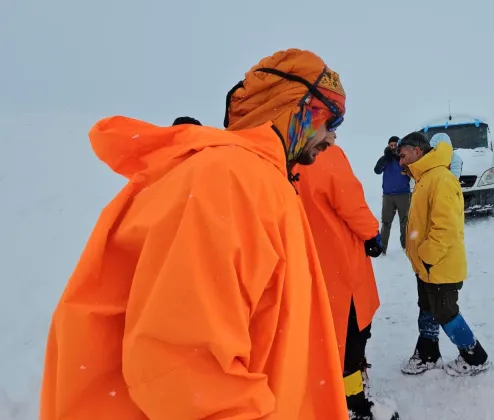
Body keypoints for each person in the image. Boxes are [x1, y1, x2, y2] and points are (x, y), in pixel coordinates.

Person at [40, 48, 351, 420]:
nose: (332, 139)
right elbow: (186, 370)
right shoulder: (231, 178)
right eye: (331, 121)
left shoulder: (253, 178)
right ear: (298, 107)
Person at [294, 136, 399, 420]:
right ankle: (354, 405)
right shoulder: (326, 155)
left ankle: (325, 394)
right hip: (338, 263)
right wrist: (371, 234)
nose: (334, 135)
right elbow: (350, 202)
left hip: (303, 266)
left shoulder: (281, 159)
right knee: (351, 335)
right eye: (330, 124)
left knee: (321, 336)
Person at [396, 131, 491, 377]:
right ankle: (428, 353)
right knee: (427, 307)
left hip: (440, 265)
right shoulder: (425, 178)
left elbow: (446, 228)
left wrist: (426, 255)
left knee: (446, 312)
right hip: (427, 266)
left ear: (417, 151)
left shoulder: (441, 179)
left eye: (403, 155)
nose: (400, 161)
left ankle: (475, 356)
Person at [373, 136, 411, 254]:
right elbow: (377, 171)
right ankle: (382, 249)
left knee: (405, 221)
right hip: (388, 195)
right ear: (388, 146)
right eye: (391, 145)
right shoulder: (385, 159)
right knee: (386, 222)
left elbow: (412, 171)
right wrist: (384, 159)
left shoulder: (404, 158)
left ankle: (406, 247)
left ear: (399, 145)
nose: (393, 147)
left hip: (403, 194)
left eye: (395, 145)